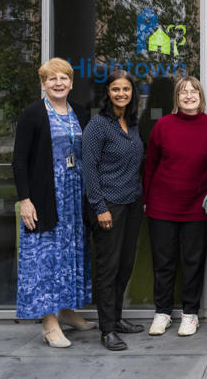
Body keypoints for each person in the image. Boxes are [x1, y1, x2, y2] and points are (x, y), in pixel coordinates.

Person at [12, 58, 93, 348]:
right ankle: (49, 321)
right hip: (47, 195)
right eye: (51, 79)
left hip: (74, 195)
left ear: (71, 83)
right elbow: (19, 160)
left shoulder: (80, 112)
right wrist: (25, 200)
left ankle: (68, 310)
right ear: (43, 83)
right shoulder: (33, 114)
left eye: (63, 78)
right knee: (46, 258)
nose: (58, 83)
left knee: (71, 254)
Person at [143, 76, 207, 337]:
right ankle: (162, 312)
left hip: (198, 207)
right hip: (162, 205)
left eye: (194, 91)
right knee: (164, 263)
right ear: (176, 98)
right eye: (183, 92)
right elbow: (151, 165)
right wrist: (146, 199)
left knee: (193, 262)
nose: (189, 96)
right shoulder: (163, 126)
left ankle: (190, 314)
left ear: (201, 96)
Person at [82, 69, 145, 351]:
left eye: (126, 89)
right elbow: (89, 169)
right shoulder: (98, 125)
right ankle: (107, 329)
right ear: (107, 92)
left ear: (132, 93)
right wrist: (99, 207)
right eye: (116, 89)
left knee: (124, 265)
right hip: (108, 206)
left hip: (132, 205)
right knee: (108, 268)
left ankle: (117, 319)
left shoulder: (130, 123)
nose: (121, 93)